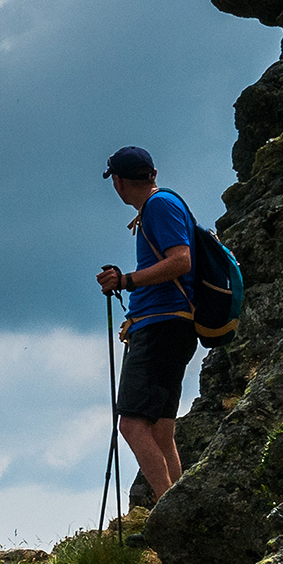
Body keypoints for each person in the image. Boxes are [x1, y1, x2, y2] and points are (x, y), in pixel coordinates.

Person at [94, 146, 199, 502]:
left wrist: (127, 281)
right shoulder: (165, 204)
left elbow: (181, 261)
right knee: (161, 430)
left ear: (119, 182)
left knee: (132, 424)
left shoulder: (158, 206)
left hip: (160, 327)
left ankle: (167, 509)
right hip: (174, 327)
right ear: (152, 172)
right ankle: (178, 509)